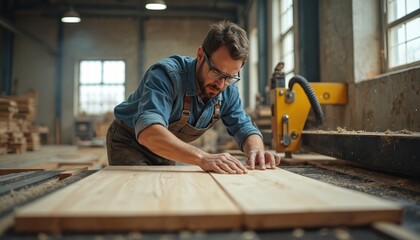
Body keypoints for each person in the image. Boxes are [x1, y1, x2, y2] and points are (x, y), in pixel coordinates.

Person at [107, 20, 281, 174]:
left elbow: (243, 126)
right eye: (216, 72)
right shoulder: (166, 75)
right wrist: (202, 158)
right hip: (129, 142)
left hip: (166, 147)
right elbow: (149, 133)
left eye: (230, 77)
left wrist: (256, 150)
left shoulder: (228, 90)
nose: (221, 85)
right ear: (200, 55)